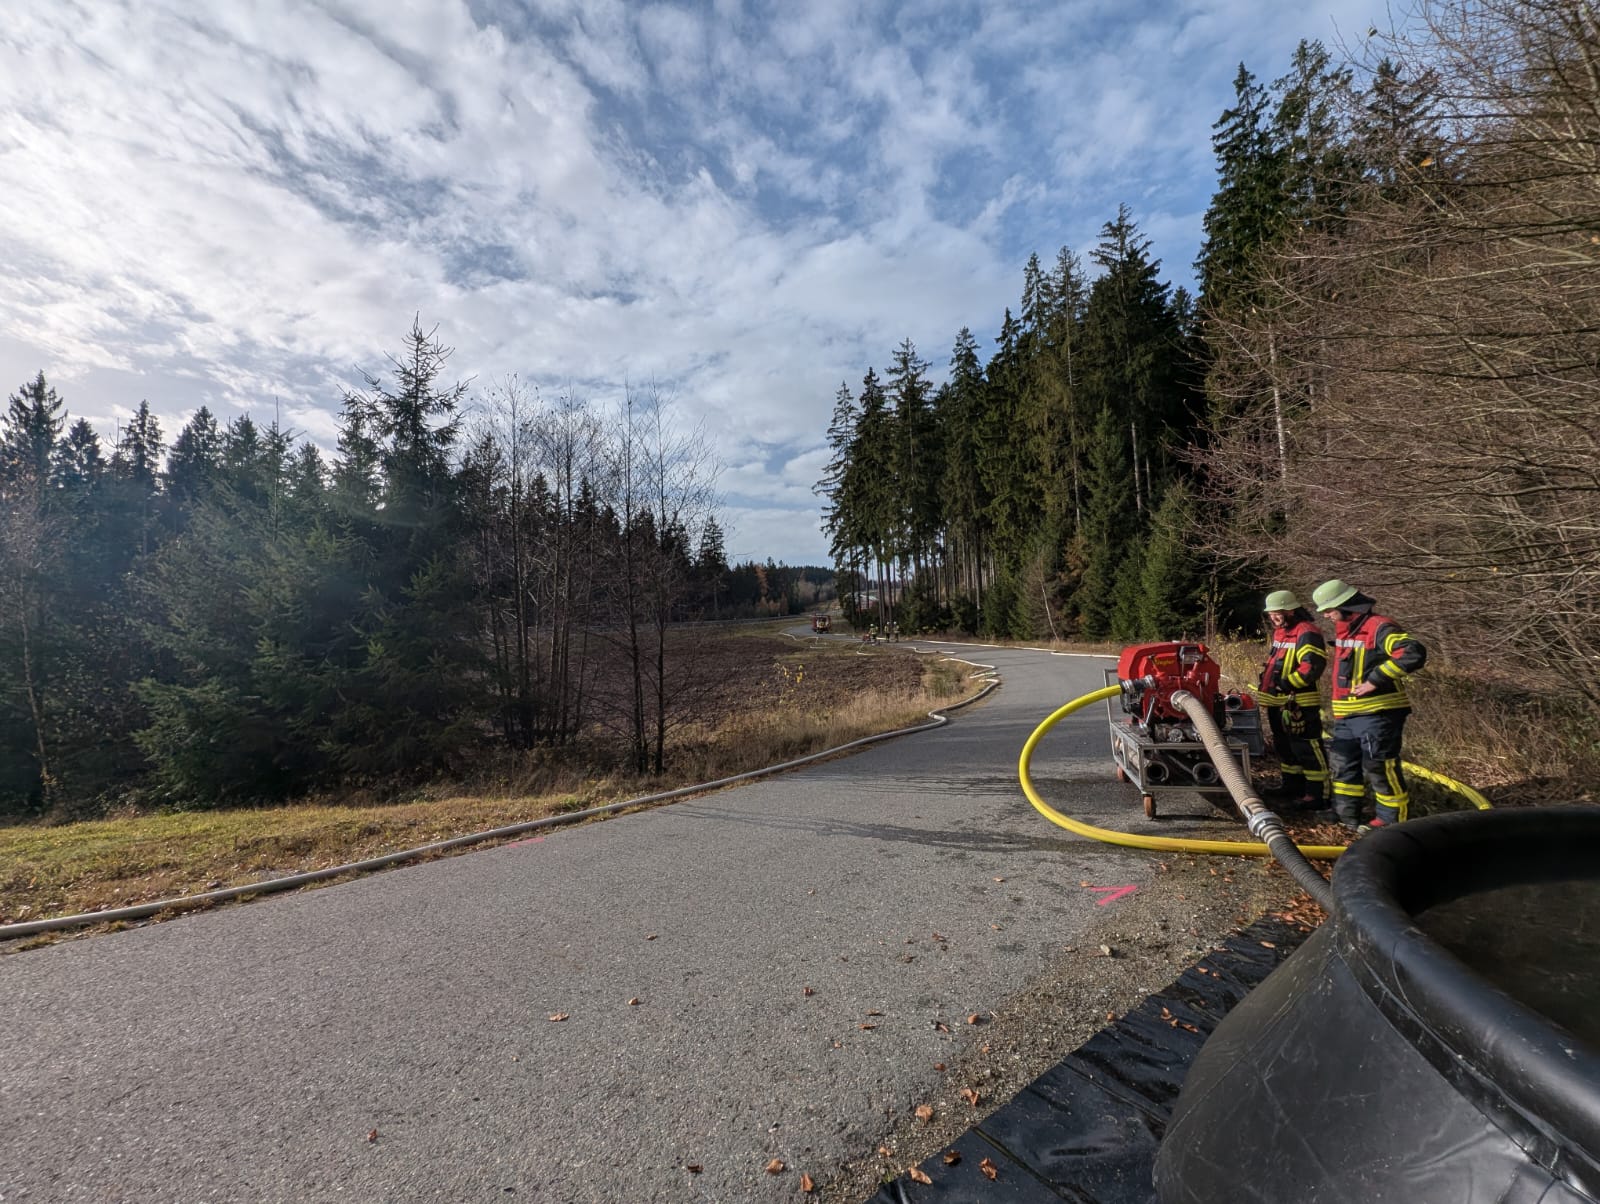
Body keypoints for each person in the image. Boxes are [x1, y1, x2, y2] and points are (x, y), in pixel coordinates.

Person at [1311, 579, 1427, 834]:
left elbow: (1413, 652)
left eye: (1329, 610)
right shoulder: (1347, 632)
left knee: (1379, 766)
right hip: (1346, 715)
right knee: (1343, 765)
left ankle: (1392, 823)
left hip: (1378, 713)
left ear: (1346, 606)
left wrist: (1374, 680)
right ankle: (1345, 815)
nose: (1327, 615)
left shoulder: (1379, 627)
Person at [1256, 590, 1329, 811]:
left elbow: (1312, 666)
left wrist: (1286, 684)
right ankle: (1292, 787)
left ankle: (1317, 795)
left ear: (1290, 610)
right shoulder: (1281, 633)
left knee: (1306, 748)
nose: (1273, 617)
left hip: (1299, 702)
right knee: (1285, 747)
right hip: (1278, 702)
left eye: (1277, 613)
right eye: (1270, 614)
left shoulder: (1306, 632)